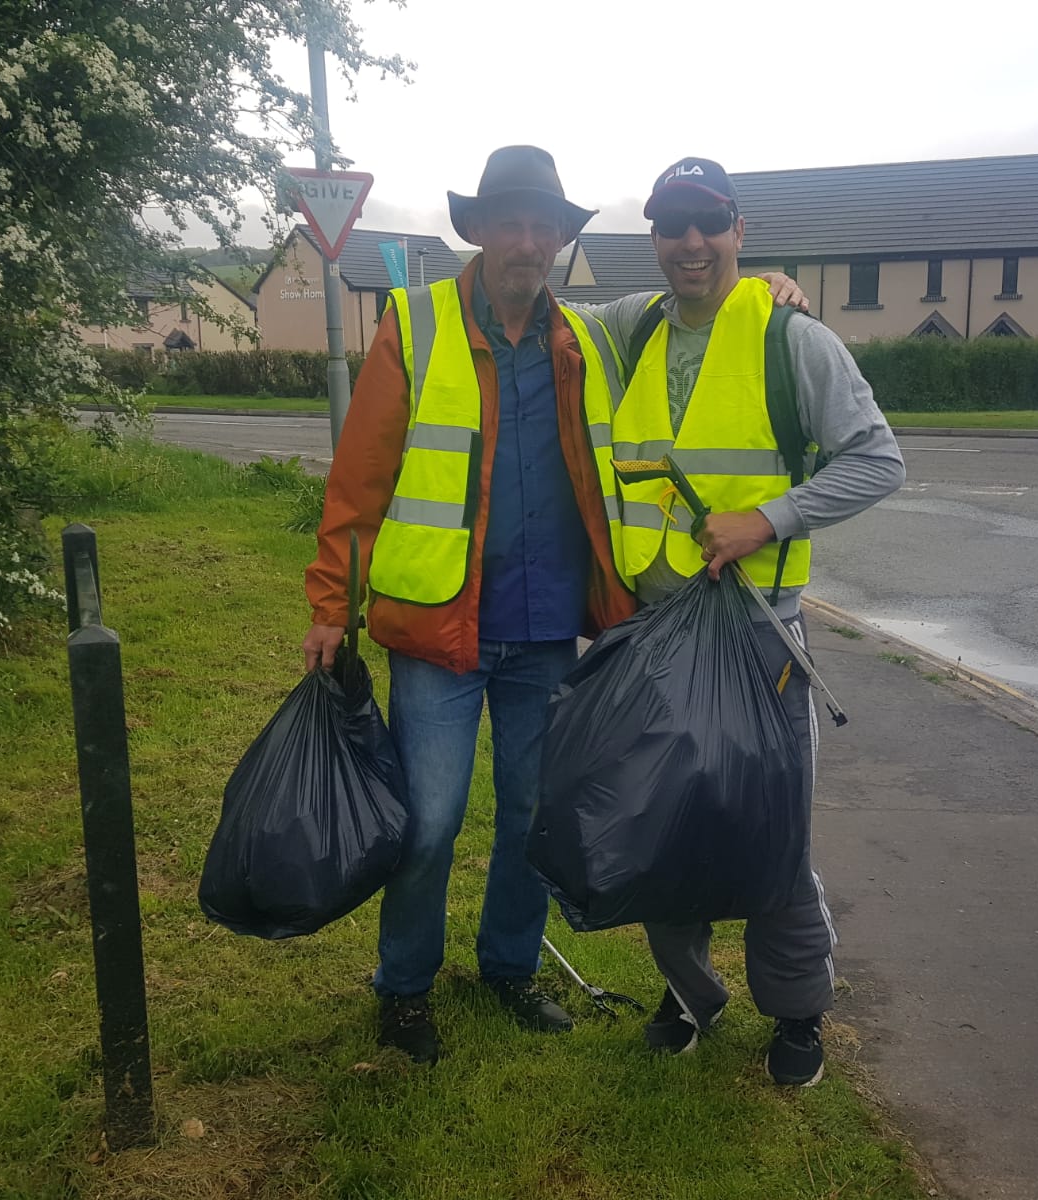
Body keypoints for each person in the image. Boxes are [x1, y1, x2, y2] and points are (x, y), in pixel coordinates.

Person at [300, 146, 805, 1065]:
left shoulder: (587, 338)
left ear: (561, 240)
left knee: (533, 819)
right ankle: (405, 987)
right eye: (510, 222)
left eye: (544, 226)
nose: (526, 242)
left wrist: (764, 286)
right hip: (439, 629)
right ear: (480, 230)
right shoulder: (413, 328)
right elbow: (358, 483)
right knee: (431, 820)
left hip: (547, 632)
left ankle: (509, 968)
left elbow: (688, 305)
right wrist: (332, 604)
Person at [582, 157, 907, 1087]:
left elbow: (877, 460)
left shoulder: (791, 340)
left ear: (738, 229)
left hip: (760, 640)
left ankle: (798, 1012)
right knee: (657, 829)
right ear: (652, 236)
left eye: (708, 223)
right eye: (672, 224)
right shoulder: (627, 327)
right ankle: (688, 995)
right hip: (651, 638)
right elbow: (542, 320)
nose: (690, 242)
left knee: (772, 838)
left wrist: (769, 517)